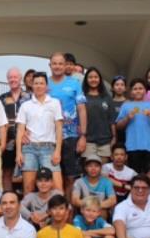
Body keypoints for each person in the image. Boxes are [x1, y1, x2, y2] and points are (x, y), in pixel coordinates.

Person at [15, 71, 63, 194]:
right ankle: (29, 214)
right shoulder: (26, 105)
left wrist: (57, 151)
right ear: (32, 85)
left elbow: (58, 128)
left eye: (41, 83)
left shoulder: (54, 103)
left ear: (46, 86)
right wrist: (18, 152)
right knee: (28, 189)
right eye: (36, 83)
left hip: (49, 148)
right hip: (29, 149)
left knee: (57, 189)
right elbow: (20, 130)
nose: (39, 86)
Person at [47, 52, 87, 195]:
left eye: (60, 63)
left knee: (71, 177)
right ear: (50, 65)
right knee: (52, 177)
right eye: (54, 63)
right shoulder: (44, 83)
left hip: (71, 136)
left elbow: (82, 110)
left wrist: (83, 136)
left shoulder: (74, 83)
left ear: (65, 66)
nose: (57, 66)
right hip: (49, 137)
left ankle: (69, 210)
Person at [115, 78, 150, 173]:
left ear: (145, 90)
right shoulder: (126, 105)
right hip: (132, 146)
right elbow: (118, 126)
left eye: (140, 88)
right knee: (134, 175)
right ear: (131, 92)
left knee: (149, 175)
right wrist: (127, 118)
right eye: (135, 88)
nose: (138, 91)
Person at [0, 67, 29, 191]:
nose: (13, 79)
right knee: (7, 171)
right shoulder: (1, 98)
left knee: (28, 171)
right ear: (7, 80)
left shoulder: (29, 96)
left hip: (26, 139)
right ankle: (7, 197)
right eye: (10, 77)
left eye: (15, 77)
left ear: (20, 78)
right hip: (8, 140)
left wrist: (28, 132)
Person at [82, 67, 117, 163]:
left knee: (103, 171)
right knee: (89, 170)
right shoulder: (82, 97)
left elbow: (112, 119)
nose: (93, 79)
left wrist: (114, 137)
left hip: (105, 141)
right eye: (90, 77)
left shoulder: (107, 97)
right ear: (86, 80)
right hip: (88, 141)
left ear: (100, 79)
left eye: (96, 77)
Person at [111, 75, 128, 148]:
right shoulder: (109, 103)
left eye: (122, 85)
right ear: (112, 88)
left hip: (127, 136)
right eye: (117, 85)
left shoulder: (129, 103)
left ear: (125, 88)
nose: (119, 87)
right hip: (112, 136)